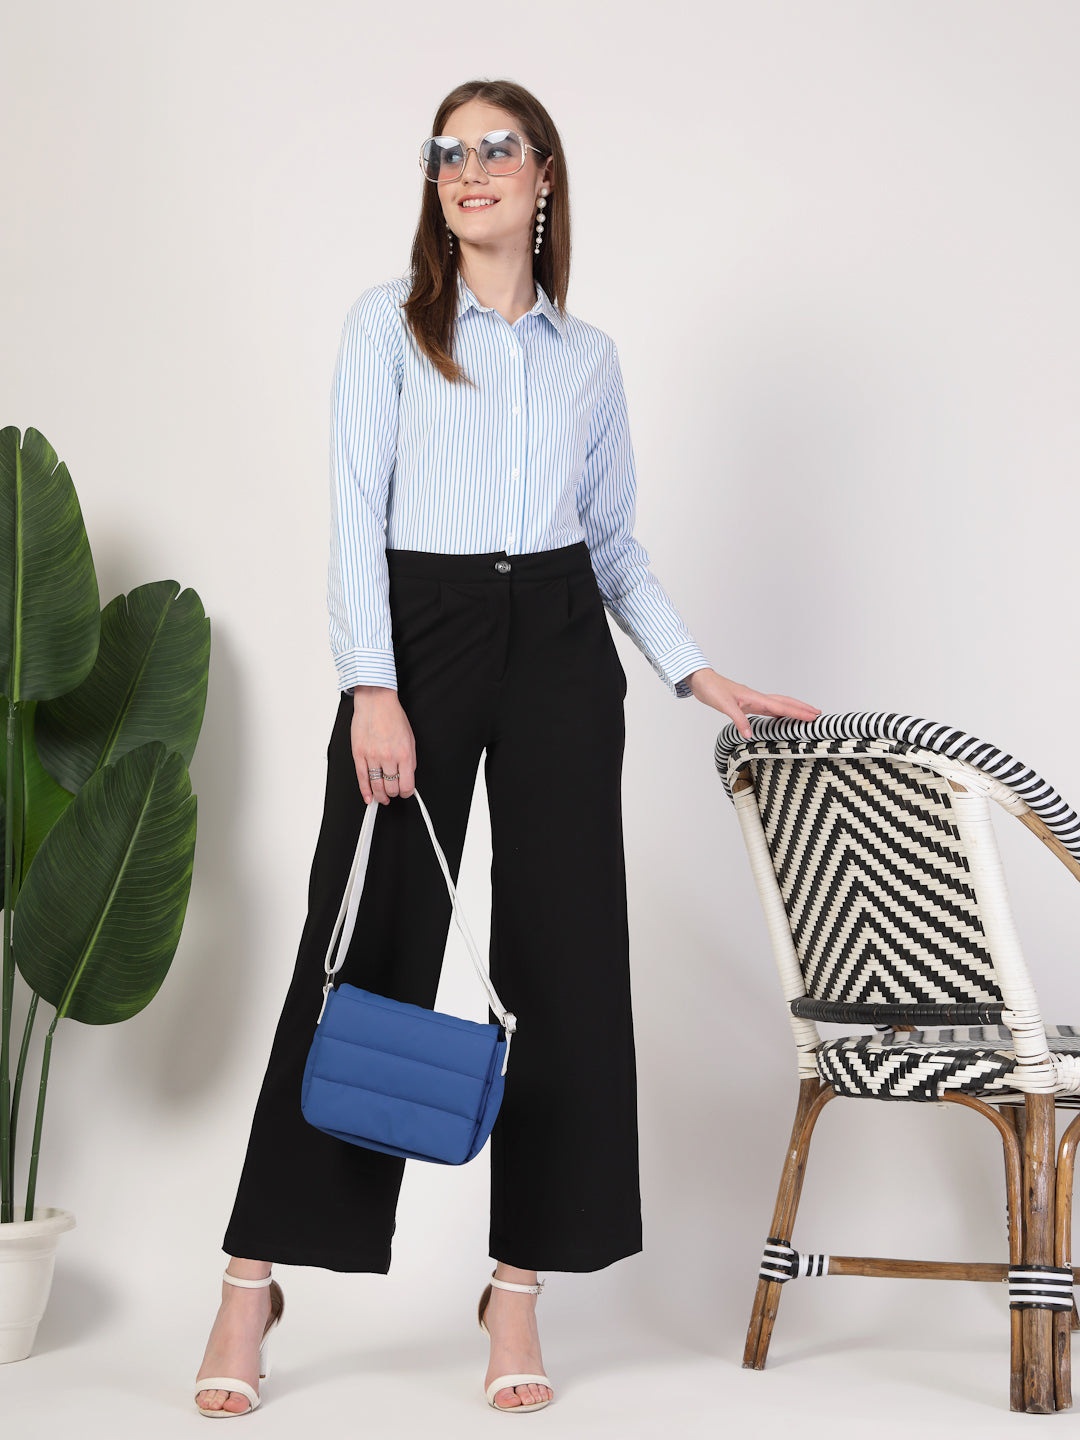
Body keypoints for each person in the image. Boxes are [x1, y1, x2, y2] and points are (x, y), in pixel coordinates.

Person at [194, 77, 821, 1418]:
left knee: (565, 960)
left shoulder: (588, 360)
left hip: (558, 642)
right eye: (447, 152)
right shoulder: (389, 327)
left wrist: (696, 671)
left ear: (543, 177)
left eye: (496, 147)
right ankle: (252, 1281)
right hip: (418, 635)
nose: (468, 167)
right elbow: (354, 515)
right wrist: (373, 686)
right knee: (361, 942)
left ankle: (517, 1288)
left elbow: (613, 545)